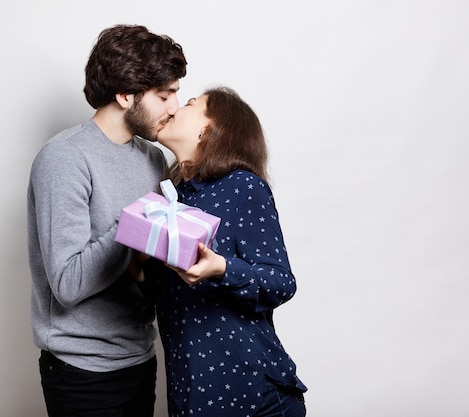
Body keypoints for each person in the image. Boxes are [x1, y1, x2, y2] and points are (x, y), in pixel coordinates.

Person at [26, 24, 187, 417]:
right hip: (83, 372)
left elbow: (144, 268)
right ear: (125, 94)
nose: (174, 108)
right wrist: (137, 222)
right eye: (165, 95)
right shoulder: (65, 158)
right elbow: (66, 283)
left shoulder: (153, 159)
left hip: (140, 358)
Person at [143, 86, 307, 416]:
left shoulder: (243, 187)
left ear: (209, 128)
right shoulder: (170, 201)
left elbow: (281, 281)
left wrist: (221, 268)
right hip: (192, 395)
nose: (175, 109)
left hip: (254, 393)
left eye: (190, 104)